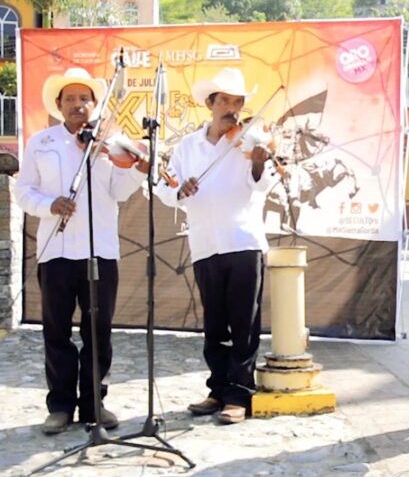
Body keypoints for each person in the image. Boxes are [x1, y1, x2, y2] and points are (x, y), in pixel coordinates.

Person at [15, 67, 148, 434]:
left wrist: (140, 169)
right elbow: (23, 191)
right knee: (56, 331)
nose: (78, 105)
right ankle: (59, 406)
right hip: (55, 252)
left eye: (84, 99)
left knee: (98, 331)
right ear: (59, 105)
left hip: (100, 251)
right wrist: (49, 205)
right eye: (70, 99)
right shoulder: (41, 143)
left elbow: (121, 190)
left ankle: (94, 404)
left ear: (94, 104)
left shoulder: (109, 143)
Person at [155, 67, 276, 425]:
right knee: (214, 325)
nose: (232, 109)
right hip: (205, 244)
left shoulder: (249, 142)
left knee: (244, 323)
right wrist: (180, 191)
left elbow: (262, 184)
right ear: (210, 103)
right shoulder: (187, 146)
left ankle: (239, 395)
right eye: (225, 101)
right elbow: (166, 188)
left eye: (238, 102)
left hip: (243, 242)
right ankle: (218, 389)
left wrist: (258, 161)